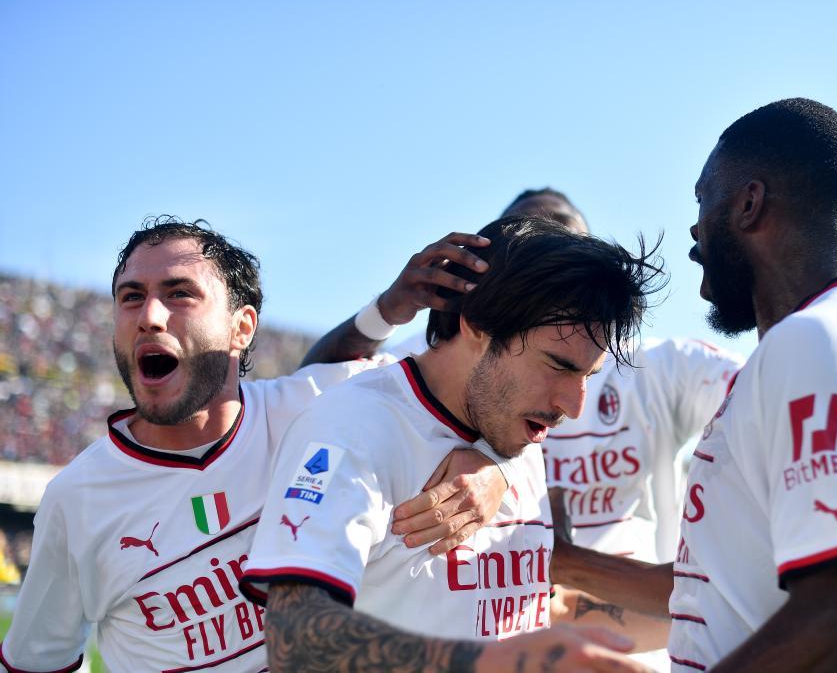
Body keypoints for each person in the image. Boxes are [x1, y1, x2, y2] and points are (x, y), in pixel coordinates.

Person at [552, 98, 837, 673]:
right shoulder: (824, 342)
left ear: (748, 204)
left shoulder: (816, 342)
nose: (694, 228)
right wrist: (564, 561)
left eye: (702, 200)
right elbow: (710, 588)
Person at [0, 218, 514, 673]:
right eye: (131, 296)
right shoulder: (76, 499)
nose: (149, 316)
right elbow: (36, 664)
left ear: (241, 327)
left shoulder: (321, 409)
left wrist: (495, 468)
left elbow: (492, 394)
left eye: (179, 294)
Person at [239, 216, 666, 671]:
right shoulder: (351, 427)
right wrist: (490, 663)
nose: (573, 406)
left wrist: (709, 616)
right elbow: (294, 640)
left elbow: (532, 607)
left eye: (588, 376)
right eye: (558, 366)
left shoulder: (515, 432)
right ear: (477, 325)